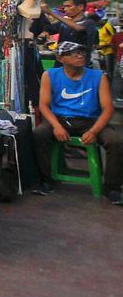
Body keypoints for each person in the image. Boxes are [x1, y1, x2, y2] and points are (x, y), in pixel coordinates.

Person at [32, 41, 120, 204]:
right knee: (39, 134)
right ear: (61, 58)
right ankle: (46, 180)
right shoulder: (50, 75)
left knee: (115, 141)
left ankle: (112, 188)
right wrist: (57, 126)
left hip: (90, 120)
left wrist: (94, 131)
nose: (80, 56)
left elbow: (108, 109)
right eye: (73, 53)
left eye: (81, 52)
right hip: (61, 119)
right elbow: (44, 106)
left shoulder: (98, 76)